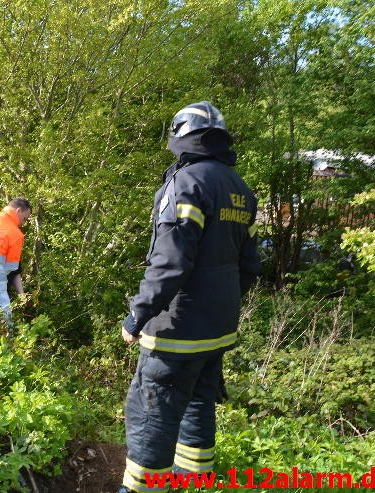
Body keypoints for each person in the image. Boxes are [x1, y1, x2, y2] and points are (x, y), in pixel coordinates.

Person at [119, 101, 260, 493]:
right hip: (218, 328)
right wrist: (222, 305)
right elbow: (249, 265)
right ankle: (195, 481)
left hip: (177, 328)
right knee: (198, 401)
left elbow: (170, 262)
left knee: (152, 411)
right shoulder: (241, 190)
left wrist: (138, 316)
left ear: (181, 136)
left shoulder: (186, 183)